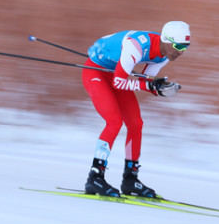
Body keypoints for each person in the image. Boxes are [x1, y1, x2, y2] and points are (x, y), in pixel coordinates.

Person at [81, 21, 191, 198]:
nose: (180, 51)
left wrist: (160, 88)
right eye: (178, 46)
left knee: (135, 124)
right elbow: (120, 82)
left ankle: (130, 179)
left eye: (185, 47)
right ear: (166, 40)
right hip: (96, 72)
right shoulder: (137, 47)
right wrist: (151, 86)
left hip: (116, 73)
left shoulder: (163, 55)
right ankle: (95, 177)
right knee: (114, 122)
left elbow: (146, 81)